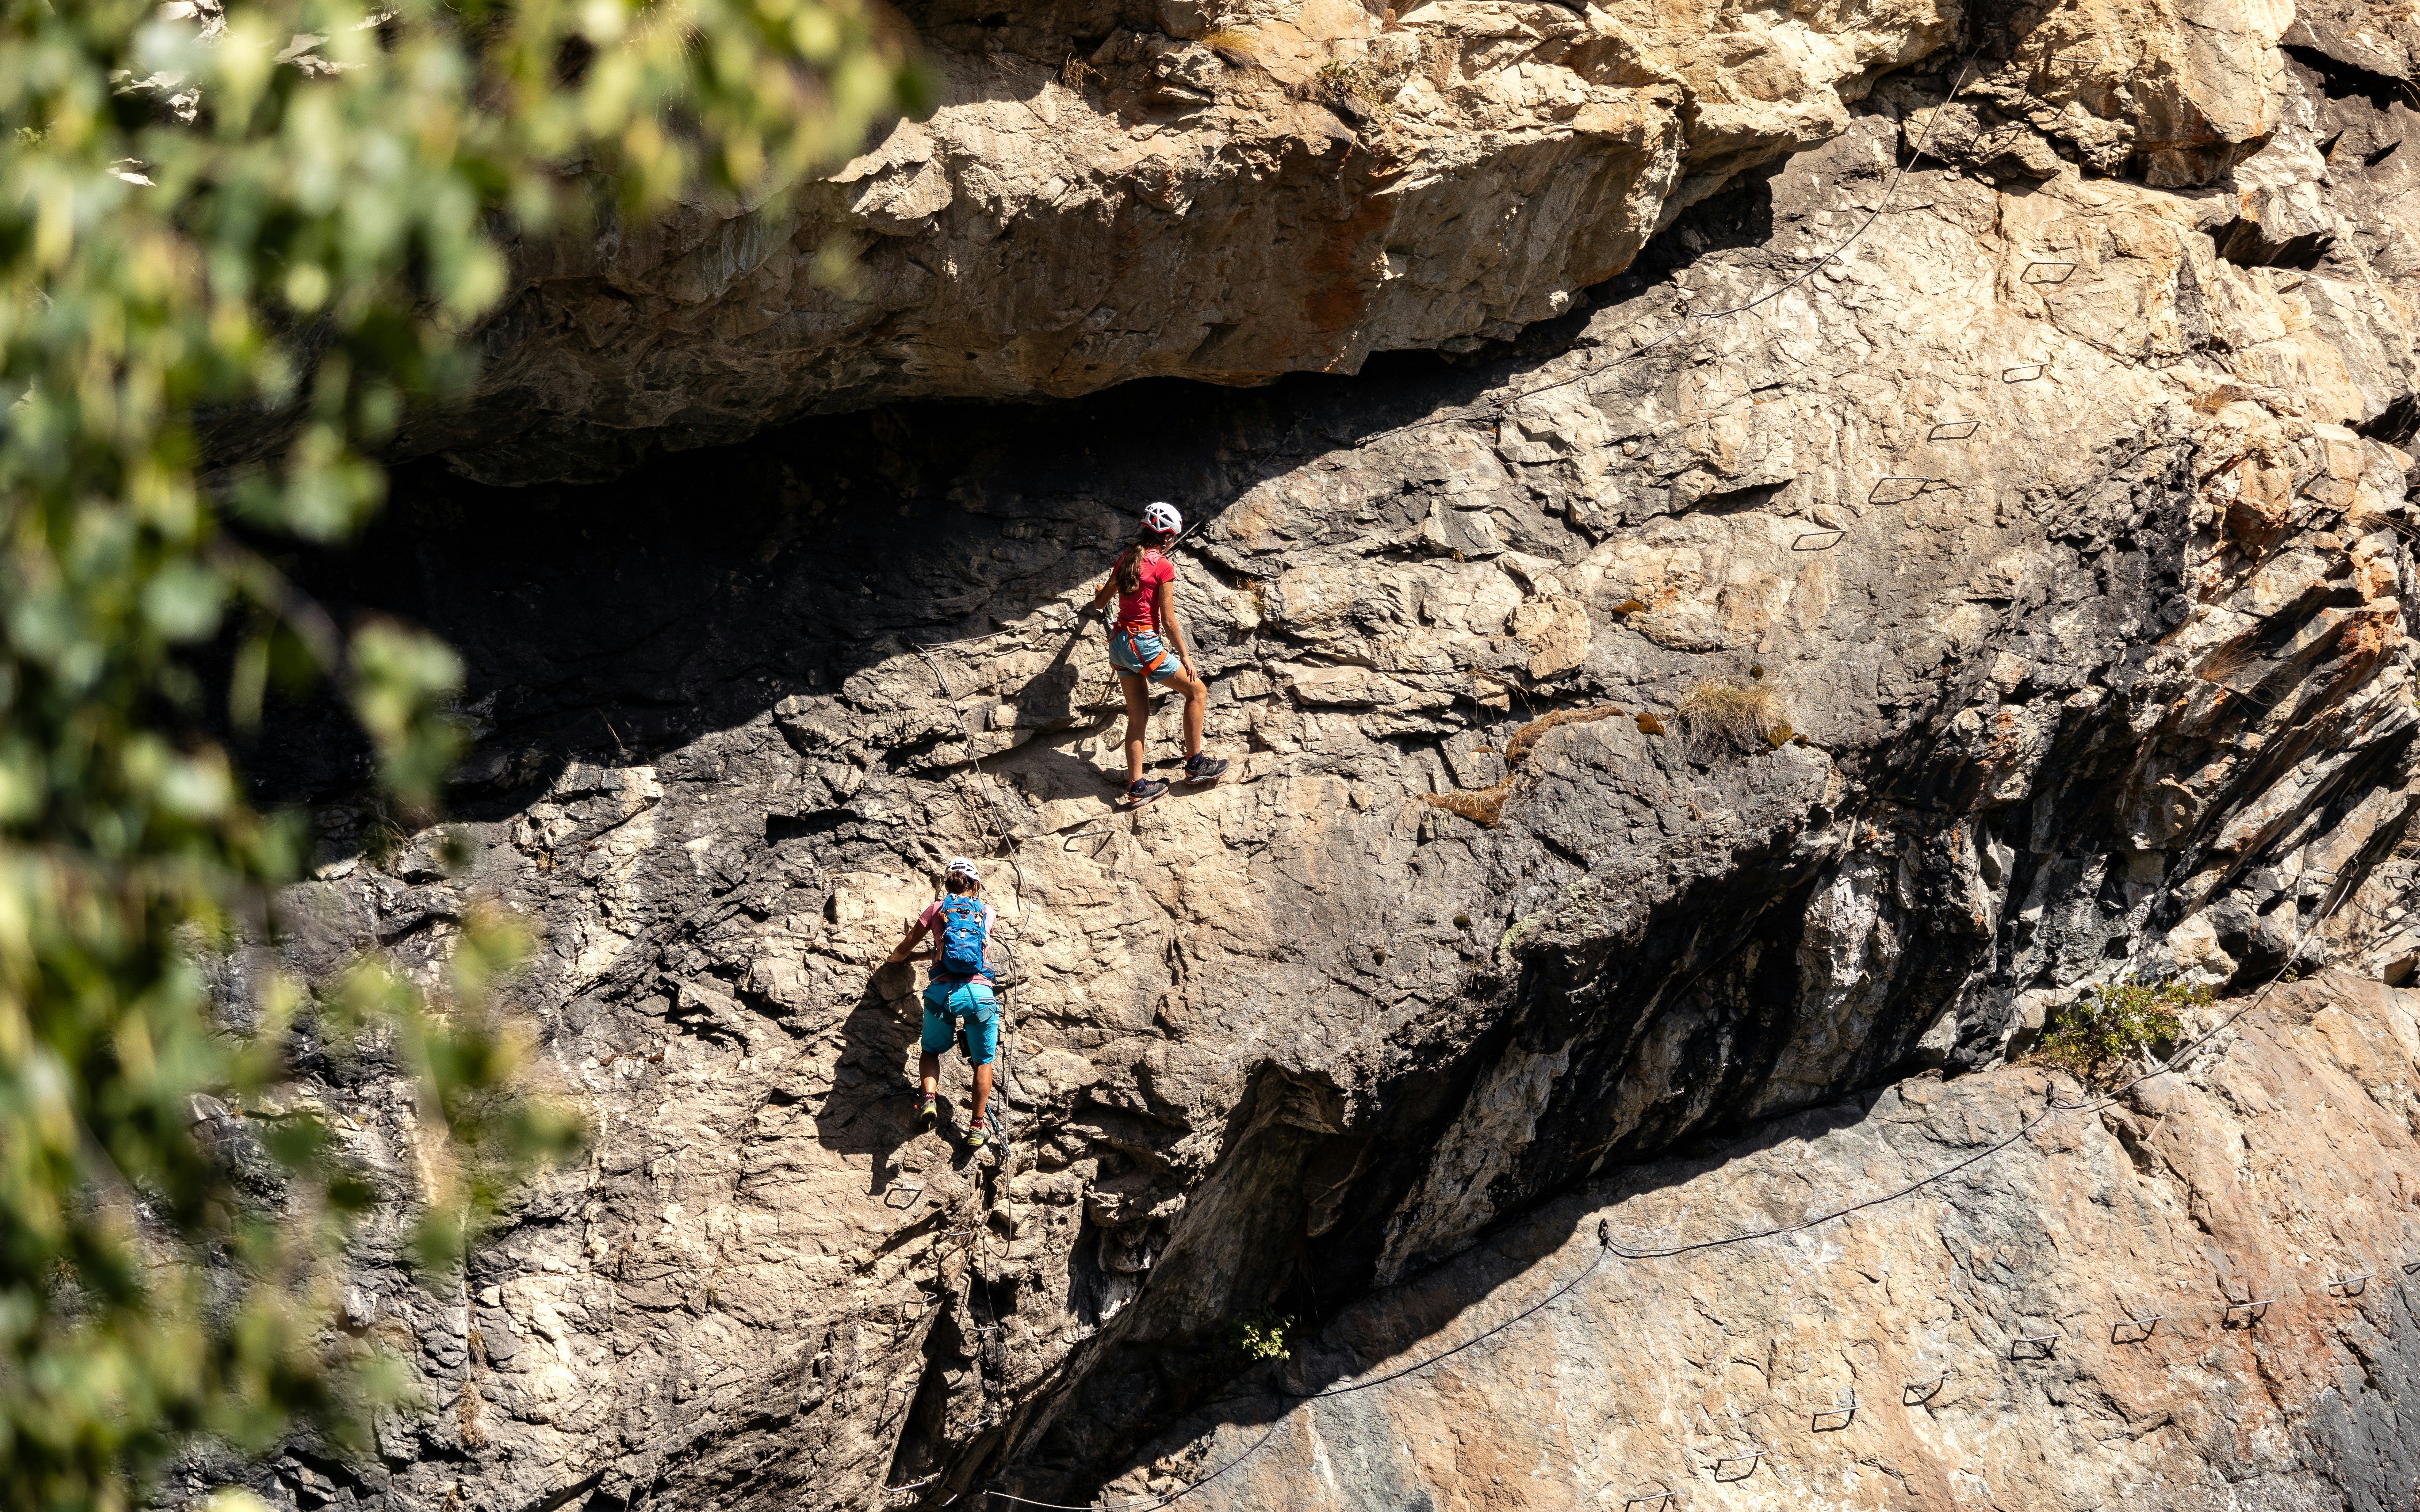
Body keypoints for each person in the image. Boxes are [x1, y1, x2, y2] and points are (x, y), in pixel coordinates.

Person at [1088, 501, 1227, 806]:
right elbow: (1169, 620)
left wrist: (1103, 591)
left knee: (1138, 715)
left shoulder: (1125, 559)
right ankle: (1196, 765)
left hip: (1119, 645)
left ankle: (1138, 786)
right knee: (1197, 691)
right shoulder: (1162, 565)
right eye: (1173, 537)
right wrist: (1185, 656)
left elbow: (1101, 604)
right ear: (1166, 537)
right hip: (1143, 644)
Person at [884, 857, 1002, 1148]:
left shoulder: (936, 910)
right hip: (979, 995)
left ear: (946, 884)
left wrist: (897, 959)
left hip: (942, 995)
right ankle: (977, 1126)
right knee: (984, 1061)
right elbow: (974, 950)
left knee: (930, 1051)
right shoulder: (988, 913)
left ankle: (928, 1099)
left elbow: (910, 946)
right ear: (975, 885)